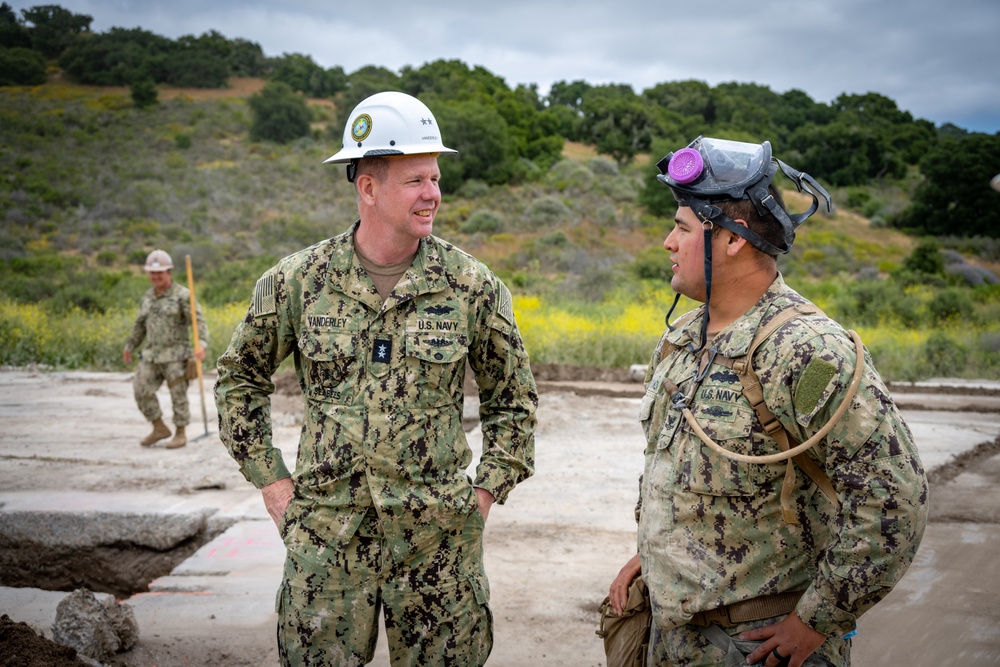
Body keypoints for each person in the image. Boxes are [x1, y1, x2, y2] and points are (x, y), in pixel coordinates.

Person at [214, 91, 537, 666]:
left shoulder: (472, 286)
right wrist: (271, 482)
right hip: (327, 540)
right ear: (368, 186)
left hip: (439, 543)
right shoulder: (297, 281)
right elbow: (239, 379)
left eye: (435, 178)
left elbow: (513, 403)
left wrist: (482, 496)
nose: (433, 194)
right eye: (416, 180)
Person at [607, 136, 928, 667]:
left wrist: (817, 621)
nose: (667, 242)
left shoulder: (806, 351)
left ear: (733, 241)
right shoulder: (685, 338)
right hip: (675, 639)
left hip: (759, 649)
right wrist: (655, 558)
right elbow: (689, 479)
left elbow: (895, 500)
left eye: (683, 228)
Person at [122, 249, 208, 449]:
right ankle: (159, 427)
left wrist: (200, 344)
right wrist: (130, 346)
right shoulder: (148, 297)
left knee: (178, 395)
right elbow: (139, 325)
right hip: (151, 355)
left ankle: (180, 433)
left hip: (176, 355)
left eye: (160, 272)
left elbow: (198, 322)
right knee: (141, 390)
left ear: (169, 272)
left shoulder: (182, 296)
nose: (155, 276)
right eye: (152, 273)